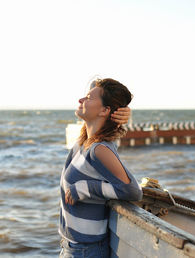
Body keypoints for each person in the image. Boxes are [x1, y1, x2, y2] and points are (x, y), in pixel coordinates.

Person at [59, 78, 143, 258]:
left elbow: (132, 190)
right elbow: (98, 90)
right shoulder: (84, 142)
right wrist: (123, 110)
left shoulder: (99, 150)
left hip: (86, 251)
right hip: (73, 247)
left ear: (105, 110)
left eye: (88, 98)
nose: (81, 100)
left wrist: (84, 189)